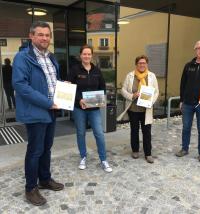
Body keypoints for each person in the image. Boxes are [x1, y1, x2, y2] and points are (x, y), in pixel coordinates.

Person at [12, 21, 64, 206]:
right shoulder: (22, 57)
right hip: (36, 111)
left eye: (47, 35)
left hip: (51, 110)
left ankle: (44, 179)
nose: (44, 38)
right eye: (40, 34)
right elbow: (20, 86)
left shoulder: (51, 57)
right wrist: (48, 102)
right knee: (35, 150)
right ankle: (30, 188)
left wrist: (64, 91)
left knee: (47, 147)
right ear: (31, 36)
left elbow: (53, 81)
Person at [68, 45, 112, 173]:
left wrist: (100, 100)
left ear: (92, 55)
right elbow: (69, 88)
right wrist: (78, 100)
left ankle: (103, 159)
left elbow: (102, 87)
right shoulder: (74, 70)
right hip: (79, 108)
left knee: (99, 133)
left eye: (89, 54)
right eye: (84, 54)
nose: (87, 56)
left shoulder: (97, 71)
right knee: (81, 133)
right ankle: (83, 157)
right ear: (80, 55)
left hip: (93, 108)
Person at [176, 40, 200, 163]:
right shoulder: (188, 65)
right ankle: (184, 148)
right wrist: (181, 100)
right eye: (199, 48)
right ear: (195, 50)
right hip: (187, 103)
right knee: (186, 127)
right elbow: (183, 84)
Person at [117, 55, 159, 163]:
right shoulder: (130, 76)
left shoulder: (152, 76)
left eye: (144, 63)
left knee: (147, 132)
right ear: (136, 64)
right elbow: (123, 90)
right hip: (133, 109)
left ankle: (148, 153)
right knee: (134, 131)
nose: (142, 65)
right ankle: (135, 150)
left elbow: (156, 92)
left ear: (147, 64)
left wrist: (151, 102)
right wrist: (132, 96)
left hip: (146, 110)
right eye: (140, 63)